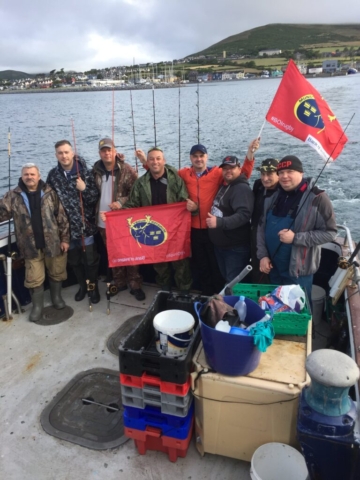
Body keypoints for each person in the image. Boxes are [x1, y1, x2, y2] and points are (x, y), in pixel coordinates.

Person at [136, 139, 259, 295]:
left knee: (216, 265)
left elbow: (241, 175)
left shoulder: (217, 173)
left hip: (212, 228)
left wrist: (250, 154)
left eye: (201, 155)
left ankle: (219, 294)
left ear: (206, 157)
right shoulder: (183, 174)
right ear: (191, 158)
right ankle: (205, 293)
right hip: (191, 228)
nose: (198, 159)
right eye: (195, 156)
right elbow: (160, 172)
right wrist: (144, 162)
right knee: (200, 264)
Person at [257, 155, 337, 304]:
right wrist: (262, 255)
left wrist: (296, 238)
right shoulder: (273, 196)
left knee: (299, 313)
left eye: (289, 171)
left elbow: (330, 233)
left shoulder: (318, 198)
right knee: (276, 308)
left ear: (301, 173)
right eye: (281, 172)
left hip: (298, 272)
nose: (284, 176)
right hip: (273, 267)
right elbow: (261, 228)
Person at [0, 163, 69, 322]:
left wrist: (65, 239)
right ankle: (37, 307)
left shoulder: (50, 192)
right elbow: (2, 214)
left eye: (32, 174)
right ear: (22, 176)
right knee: (34, 278)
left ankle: (56, 298)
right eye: (26, 174)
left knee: (57, 272)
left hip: (53, 243)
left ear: (38, 176)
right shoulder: (13, 195)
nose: (29, 177)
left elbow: (62, 217)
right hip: (29, 246)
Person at [126, 147, 193, 293]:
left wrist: (193, 207)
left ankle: (184, 291)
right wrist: (114, 213)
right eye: (151, 159)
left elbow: (184, 200)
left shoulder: (175, 180)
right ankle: (165, 288)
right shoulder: (141, 183)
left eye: (158, 158)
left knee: (181, 263)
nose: (155, 162)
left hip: (175, 229)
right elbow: (132, 205)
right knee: (159, 264)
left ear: (164, 161)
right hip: (153, 230)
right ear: (147, 162)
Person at [47, 140, 101, 304]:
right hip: (66, 229)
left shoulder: (85, 172)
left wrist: (84, 189)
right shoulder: (53, 176)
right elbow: (49, 200)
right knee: (75, 261)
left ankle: (93, 287)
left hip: (86, 226)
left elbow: (94, 198)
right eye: (60, 153)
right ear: (56, 155)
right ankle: (82, 286)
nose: (64, 156)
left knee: (90, 261)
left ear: (72, 153)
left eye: (66, 152)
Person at [93, 138, 145, 301]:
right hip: (103, 221)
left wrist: (121, 202)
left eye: (110, 150)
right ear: (100, 153)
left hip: (124, 221)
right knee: (113, 254)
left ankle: (135, 284)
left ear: (115, 151)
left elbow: (138, 192)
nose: (107, 153)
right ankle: (119, 282)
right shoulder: (94, 172)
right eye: (104, 150)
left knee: (130, 252)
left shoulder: (127, 169)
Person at [206, 156, 254, 283]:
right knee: (226, 279)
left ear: (239, 169)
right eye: (225, 168)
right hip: (221, 246)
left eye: (232, 168)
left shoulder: (241, 188)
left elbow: (244, 215)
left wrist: (219, 222)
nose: (228, 171)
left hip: (234, 248)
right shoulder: (226, 185)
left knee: (232, 282)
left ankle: (232, 303)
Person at [251, 158, 279, 283]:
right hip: (254, 234)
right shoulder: (258, 185)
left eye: (270, 174)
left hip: (270, 239)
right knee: (256, 271)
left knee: (268, 274)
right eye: (263, 174)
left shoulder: (283, 193)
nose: (265, 178)